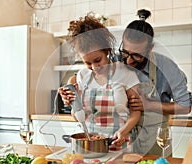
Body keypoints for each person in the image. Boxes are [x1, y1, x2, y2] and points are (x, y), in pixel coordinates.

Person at [58, 14, 141, 149]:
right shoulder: (81, 76)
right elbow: (77, 116)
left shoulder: (126, 74)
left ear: (107, 50)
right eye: (88, 63)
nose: (94, 67)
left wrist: (123, 131)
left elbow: (136, 112)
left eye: (98, 60)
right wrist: (72, 102)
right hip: (88, 145)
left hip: (118, 144)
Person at [119, 9, 192, 155]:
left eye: (136, 56)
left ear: (150, 49)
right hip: (120, 141)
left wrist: (149, 105)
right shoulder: (115, 62)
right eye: (125, 52)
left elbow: (185, 106)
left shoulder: (167, 68)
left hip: (155, 141)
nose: (128, 61)